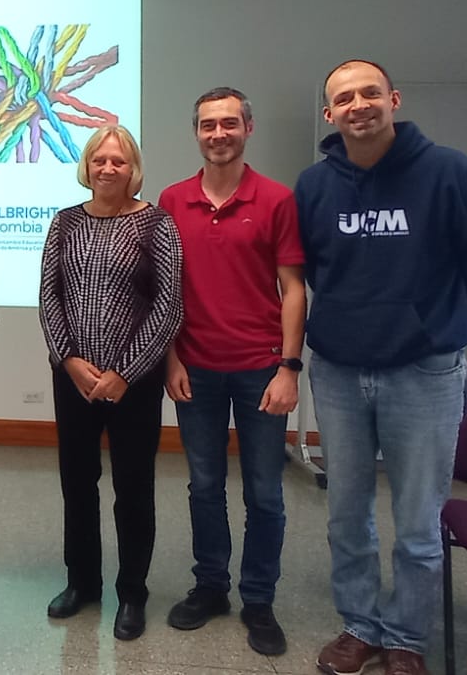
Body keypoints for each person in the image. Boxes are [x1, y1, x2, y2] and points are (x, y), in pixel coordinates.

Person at [297, 60, 467, 675]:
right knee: (346, 514)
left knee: (418, 521)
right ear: (330, 114)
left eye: (369, 93)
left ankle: (406, 638)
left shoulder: (448, 172)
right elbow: (310, 269)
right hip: (337, 372)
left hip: (424, 373)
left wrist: (442, 331)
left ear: (393, 99)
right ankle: (360, 626)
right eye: (343, 98)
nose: (358, 105)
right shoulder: (314, 185)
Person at [157, 88, 305, 657]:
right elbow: (165, 292)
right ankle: (211, 586)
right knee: (203, 485)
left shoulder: (277, 199)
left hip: (261, 370)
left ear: (248, 127)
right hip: (195, 369)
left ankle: (259, 599)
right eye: (207, 125)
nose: (218, 134)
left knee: (265, 491)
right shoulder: (171, 201)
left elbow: (293, 288)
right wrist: (170, 358)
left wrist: (289, 367)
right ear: (196, 133)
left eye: (229, 124)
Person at [39, 123, 183, 642]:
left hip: (133, 384)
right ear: (87, 165)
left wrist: (125, 372)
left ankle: (131, 593)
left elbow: (169, 307)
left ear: (132, 168)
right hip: (74, 379)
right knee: (77, 485)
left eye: (118, 161)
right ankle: (82, 584)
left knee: (133, 488)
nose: (107, 169)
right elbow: (50, 298)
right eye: (99, 159)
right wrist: (70, 360)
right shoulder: (65, 223)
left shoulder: (156, 225)